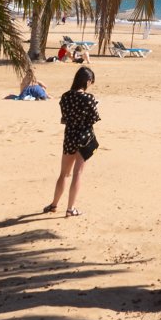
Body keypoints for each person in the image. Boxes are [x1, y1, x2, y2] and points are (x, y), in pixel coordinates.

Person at [46, 66, 99, 217]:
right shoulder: (89, 98)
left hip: (69, 136)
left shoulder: (65, 97)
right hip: (84, 137)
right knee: (78, 173)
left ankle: (54, 204)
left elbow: (65, 117)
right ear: (88, 81)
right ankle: (70, 208)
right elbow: (94, 118)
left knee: (64, 174)